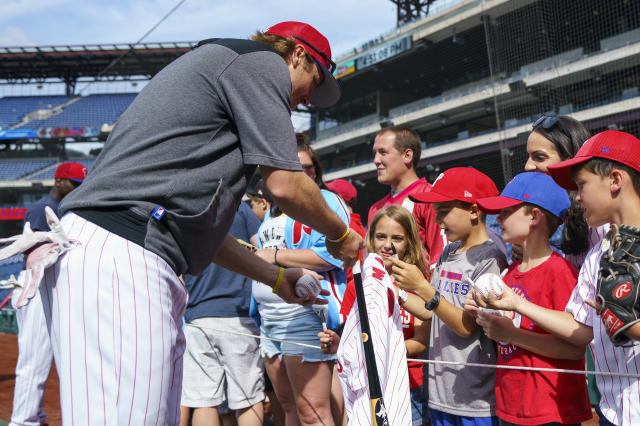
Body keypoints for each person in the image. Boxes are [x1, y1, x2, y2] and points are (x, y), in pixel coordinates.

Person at [30, 21, 363, 425]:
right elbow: (286, 184)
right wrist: (341, 233)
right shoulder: (260, 63)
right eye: (316, 77)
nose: (309, 97)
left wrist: (276, 278)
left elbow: (203, 233)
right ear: (297, 54)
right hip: (123, 250)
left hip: (126, 248)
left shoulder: (227, 80)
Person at [476, 130, 640, 425]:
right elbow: (580, 328)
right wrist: (516, 304)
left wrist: (631, 324)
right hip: (614, 410)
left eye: (582, 185)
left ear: (615, 180)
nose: (576, 197)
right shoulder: (597, 253)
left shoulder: (566, 265)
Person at [391, 167, 508, 426]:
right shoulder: (449, 252)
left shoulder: (491, 258)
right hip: (441, 392)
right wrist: (395, 290)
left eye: (444, 212)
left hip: (475, 399)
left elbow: (466, 326)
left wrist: (422, 287)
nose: (437, 221)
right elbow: (431, 311)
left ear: (474, 211)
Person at [472, 172, 592, 425]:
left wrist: (511, 334)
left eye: (506, 211)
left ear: (535, 216)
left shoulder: (558, 272)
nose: (498, 218)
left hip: (550, 409)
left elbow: (574, 348)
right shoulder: (511, 272)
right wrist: (484, 316)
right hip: (510, 404)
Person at [250, 139, 350, 426]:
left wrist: (275, 255)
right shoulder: (273, 210)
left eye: (308, 168)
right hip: (270, 319)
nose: (302, 173)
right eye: (295, 168)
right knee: (288, 406)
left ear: (316, 173)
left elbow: (336, 253)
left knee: (312, 413)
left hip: (305, 315)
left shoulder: (326, 201)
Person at [321, 205, 430, 426]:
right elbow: (354, 340)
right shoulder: (358, 285)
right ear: (371, 238)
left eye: (397, 238)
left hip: (409, 387)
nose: (387, 245)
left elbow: (421, 342)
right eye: (381, 236)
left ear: (409, 241)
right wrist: (338, 344)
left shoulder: (418, 282)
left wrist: (382, 348)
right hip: (366, 388)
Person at [9, 162, 86, 426]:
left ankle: (34, 416)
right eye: (73, 183)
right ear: (58, 181)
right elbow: (34, 254)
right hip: (35, 282)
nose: (77, 188)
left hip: (46, 283)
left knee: (47, 356)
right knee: (34, 358)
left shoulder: (62, 209)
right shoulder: (43, 209)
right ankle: (24, 420)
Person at [179, 201, 264, 426]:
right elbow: (262, 250)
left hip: (197, 317)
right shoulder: (239, 208)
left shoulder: (184, 208)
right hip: (238, 315)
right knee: (248, 397)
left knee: (204, 400)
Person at [369, 125, 446, 268]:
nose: (376, 160)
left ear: (407, 155)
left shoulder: (430, 198)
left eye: (383, 152)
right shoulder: (375, 208)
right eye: (375, 153)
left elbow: (439, 261)